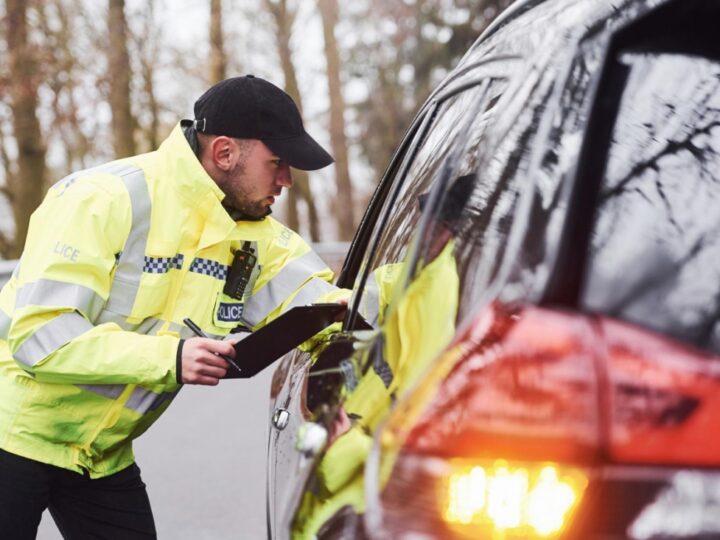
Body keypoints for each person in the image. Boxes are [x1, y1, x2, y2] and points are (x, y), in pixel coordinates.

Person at [0, 75, 344, 539]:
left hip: (100, 455)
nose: (286, 180)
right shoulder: (101, 198)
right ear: (224, 153)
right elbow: (40, 337)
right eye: (277, 163)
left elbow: (332, 308)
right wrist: (171, 357)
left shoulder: (256, 235)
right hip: (12, 438)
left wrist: (439, 268)